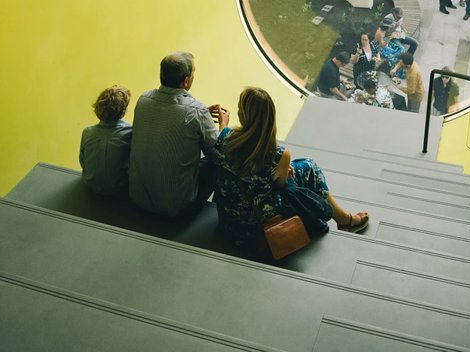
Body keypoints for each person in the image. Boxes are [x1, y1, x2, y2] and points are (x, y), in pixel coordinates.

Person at [213, 87, 368, 249]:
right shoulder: (277, 154)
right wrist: (283, 173)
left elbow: (226, 141)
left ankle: (342, 218)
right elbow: (280, 186)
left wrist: (223, 123)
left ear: (244, 115)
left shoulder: (224, 138)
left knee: (297, 169)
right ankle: (344, 219)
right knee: (309, 167)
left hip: (229, 221)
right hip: (258, 227)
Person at [129, 51, 228, 217]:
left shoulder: (143, 99)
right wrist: (223, 126)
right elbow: (218, 155)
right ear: (186, 80)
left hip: (138, 198)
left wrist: (202, 116)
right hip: (177, 207)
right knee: (218, 162)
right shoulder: (197, 111)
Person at [79, 85, 132, 196]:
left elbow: (82, 161)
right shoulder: (129, 133)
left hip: (90, 184)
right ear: (123, 111)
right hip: (121, 189)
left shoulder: (87, 132)